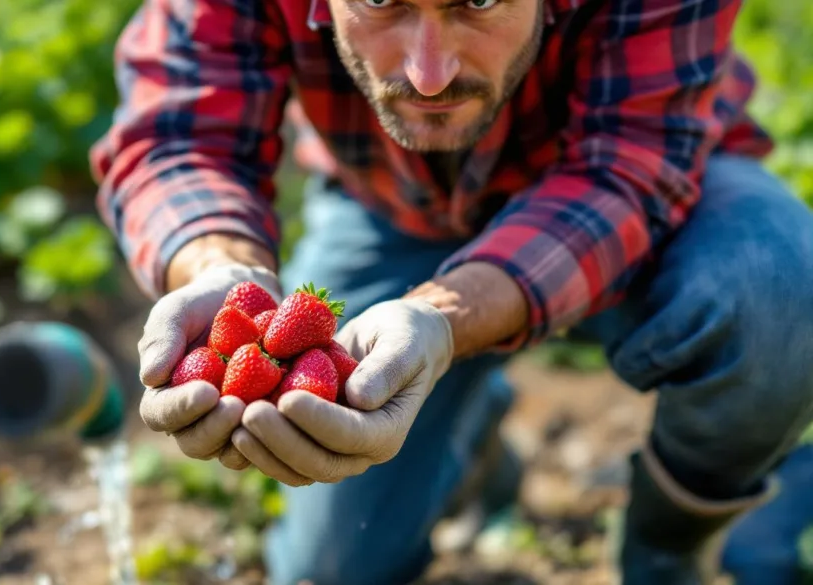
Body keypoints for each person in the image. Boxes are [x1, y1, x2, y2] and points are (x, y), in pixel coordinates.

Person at [89, 0, 813, 583]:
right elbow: (178, 135)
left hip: (641, 200)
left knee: (777, 288)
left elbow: (627, 167)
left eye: (479, 2)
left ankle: (672, 547)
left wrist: (441, 319)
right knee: (336, 568)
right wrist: (219, 268)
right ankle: (469, 442)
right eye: (382, 2)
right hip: (391, 206)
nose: (428, 74)